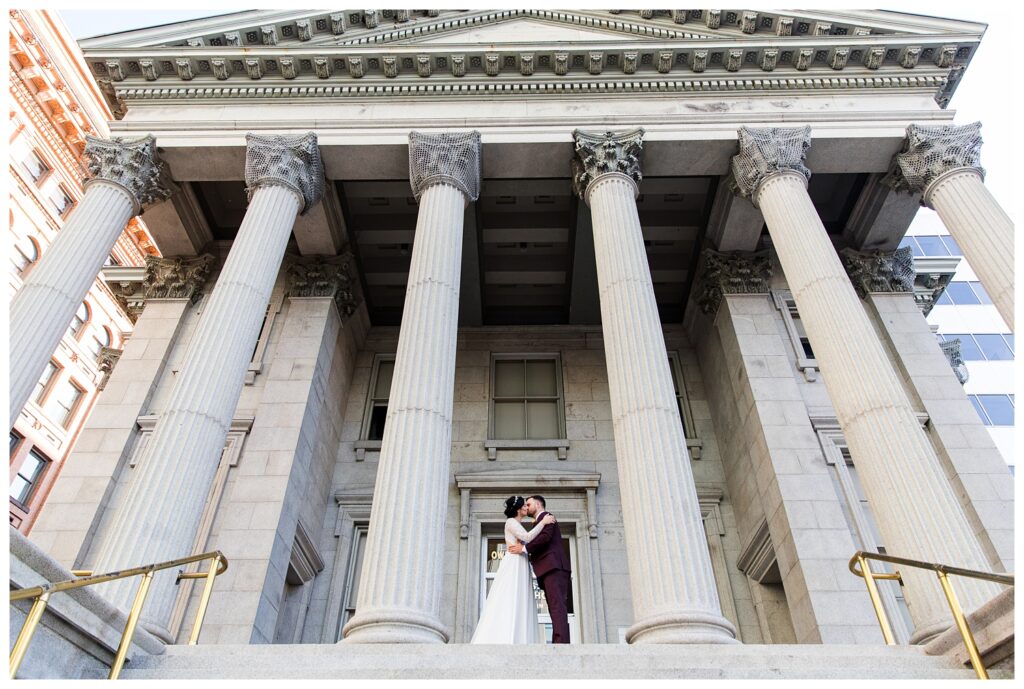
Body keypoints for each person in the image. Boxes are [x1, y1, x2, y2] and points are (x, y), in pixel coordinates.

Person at [470, 496, 556, 644]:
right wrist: (543, 522)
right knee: (512, 595)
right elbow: (527, 537)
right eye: (524, 506)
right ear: (518, 509)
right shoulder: (510, 522)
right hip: (514, 562)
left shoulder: (517, 523)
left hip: (521, 561)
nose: (526, 508)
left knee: (521, 596)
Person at [507, 495, 572, 644]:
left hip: (554, 567)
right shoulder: (541, 522)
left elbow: (544, 538)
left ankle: (560, 644)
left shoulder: (548, 517)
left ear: (537, 504)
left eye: (528, 504)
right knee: (554, 608)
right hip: (549, 569)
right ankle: (559, 642)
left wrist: (523, 548)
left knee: (557, 607)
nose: (526, 507)